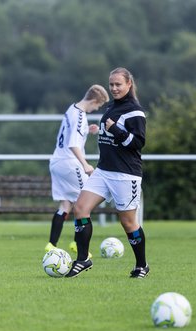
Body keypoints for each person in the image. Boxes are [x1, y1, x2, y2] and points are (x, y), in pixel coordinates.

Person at [66, 67, 149, 279]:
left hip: (125, 174)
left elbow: (138, 143)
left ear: (129, 84)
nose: (114, 88)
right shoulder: (111, 107)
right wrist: (100, 130)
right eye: (111, 84)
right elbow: (110, 136)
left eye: (118, 84)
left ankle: (142, 266)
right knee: (80, 208)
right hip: (104, 171)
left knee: (128, 222)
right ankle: (83, 259)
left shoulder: (135, 112)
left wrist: (115, 130)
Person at [44, 84, 109, 253]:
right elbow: (73, 144)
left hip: (57, 162)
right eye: (98, 106)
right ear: (94, 101)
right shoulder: (81, 116)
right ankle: (79, 245)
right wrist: (85, 164)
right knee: (85, 202)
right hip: (70, 163)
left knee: (66, 205)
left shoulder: (72, 109)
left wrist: (88, 130)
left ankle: (51, 245)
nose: (96, 109)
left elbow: (70, 134)